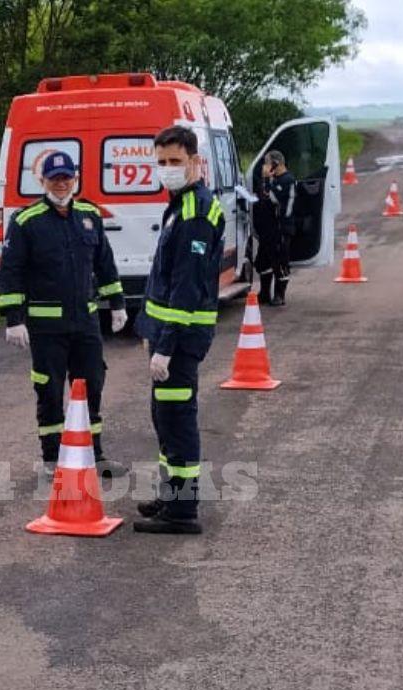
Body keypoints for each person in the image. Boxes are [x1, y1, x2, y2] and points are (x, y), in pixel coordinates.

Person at [0, 150, 129, 477]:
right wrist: (14, 318)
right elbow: (11, 271)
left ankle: (95, 456)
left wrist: (118, 304)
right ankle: (53, 459)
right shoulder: (26, 222)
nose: (61, 184)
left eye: (66, 178)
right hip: (46, 327)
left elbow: (105, 264)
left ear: (76, 179)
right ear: (42, 181)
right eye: (54, 179)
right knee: (50, 390)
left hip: (86, 323)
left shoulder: (89, 215)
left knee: (91, 386)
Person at [134, 126, 226, 535]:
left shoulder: (194, 212)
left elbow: (186, 289)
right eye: (161, 162)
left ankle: (183, 509)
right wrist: (148, 329)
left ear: (195, 162)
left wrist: (166, 345)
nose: (167, 169)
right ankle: (172, 494)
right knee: (164, 416)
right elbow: (164, 279)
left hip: (182, 338)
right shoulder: (180, 204)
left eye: (175, 162)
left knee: (176, 419)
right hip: (169, 333)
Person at [252, 150, 296, 306]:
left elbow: (273, 198)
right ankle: (264, 293)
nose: (265, 166)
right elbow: (263, 196)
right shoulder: (273, 180)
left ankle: (279, 294)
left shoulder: (288, 180)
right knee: (262, 261)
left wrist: (267, 179)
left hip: (281, 228)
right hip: (268, 229)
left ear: (276, 163)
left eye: (267, 163)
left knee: (280, 262)